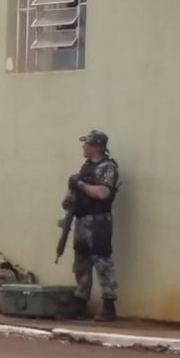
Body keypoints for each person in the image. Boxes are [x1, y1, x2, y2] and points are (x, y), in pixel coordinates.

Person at [63, 130, 120, 321]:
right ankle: (81, 302)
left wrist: (79, 185)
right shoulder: (85, 168)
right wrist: (70, 199)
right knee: (81, 262)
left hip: (99, 221)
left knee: (102, 262)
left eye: (86, 144)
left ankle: (109, 304)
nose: (83, 147)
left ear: (96, 146)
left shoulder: (107, 167)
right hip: (82, 220)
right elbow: (73, 195)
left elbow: (102, 193)